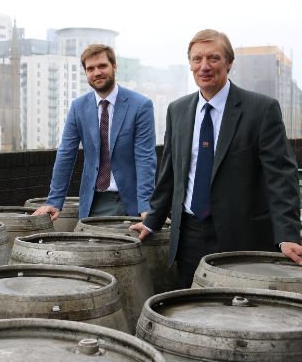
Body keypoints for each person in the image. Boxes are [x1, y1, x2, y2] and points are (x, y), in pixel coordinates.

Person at [130, 29, 302, 288]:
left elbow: (281, 178)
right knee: (192, 308)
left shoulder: (261, 110)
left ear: (229, 63)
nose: (204, 66)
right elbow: (170, 175)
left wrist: (288, 235)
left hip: (242, 235)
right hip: (188, 235)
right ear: (190, 65)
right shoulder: (178, 110)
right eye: (197, 59)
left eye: (214, 58)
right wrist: (153, 220)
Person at [33, 44, 156, 221]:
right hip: (92, 202)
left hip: (130, 202)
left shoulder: (140, 105)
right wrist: (54, 200)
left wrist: (146, 205)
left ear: (114, 66)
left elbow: (145, 157)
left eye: (102, 66)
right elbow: (66, 153)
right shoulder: (78, 107)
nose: (97, 72)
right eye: (90, 69)